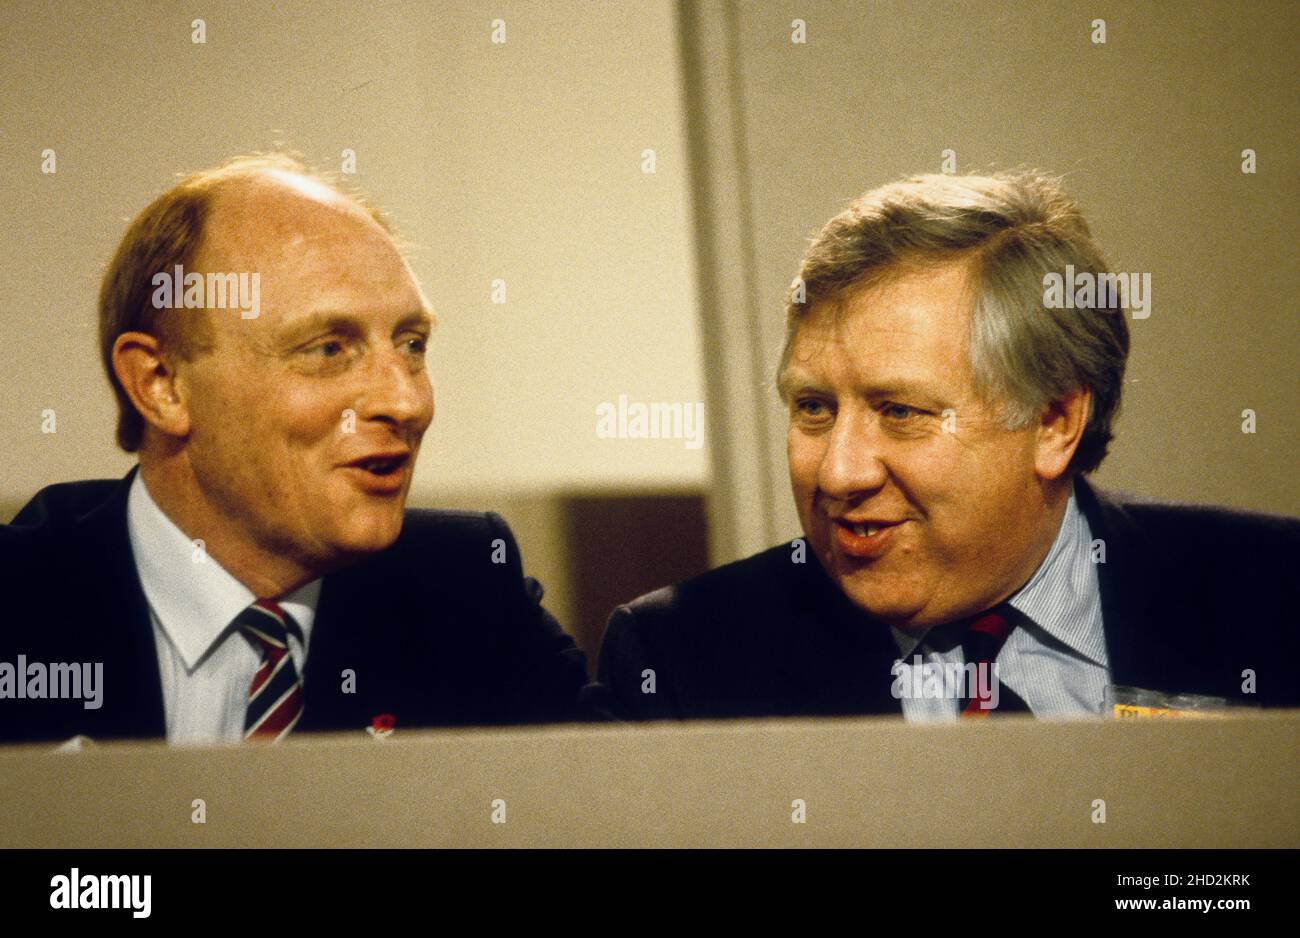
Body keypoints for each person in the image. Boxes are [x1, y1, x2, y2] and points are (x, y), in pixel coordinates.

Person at [596, 171, 1300, 721]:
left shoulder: (1272, 596)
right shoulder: (686, 662)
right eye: (813, 408)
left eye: (899, 412)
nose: (839, 472)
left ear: (1054, 422)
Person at [0, 154, 591, 745]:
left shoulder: (466, 595)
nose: (406, 402)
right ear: (161, 383)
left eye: (411, 344)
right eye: (330, 349)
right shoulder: (19, 603)